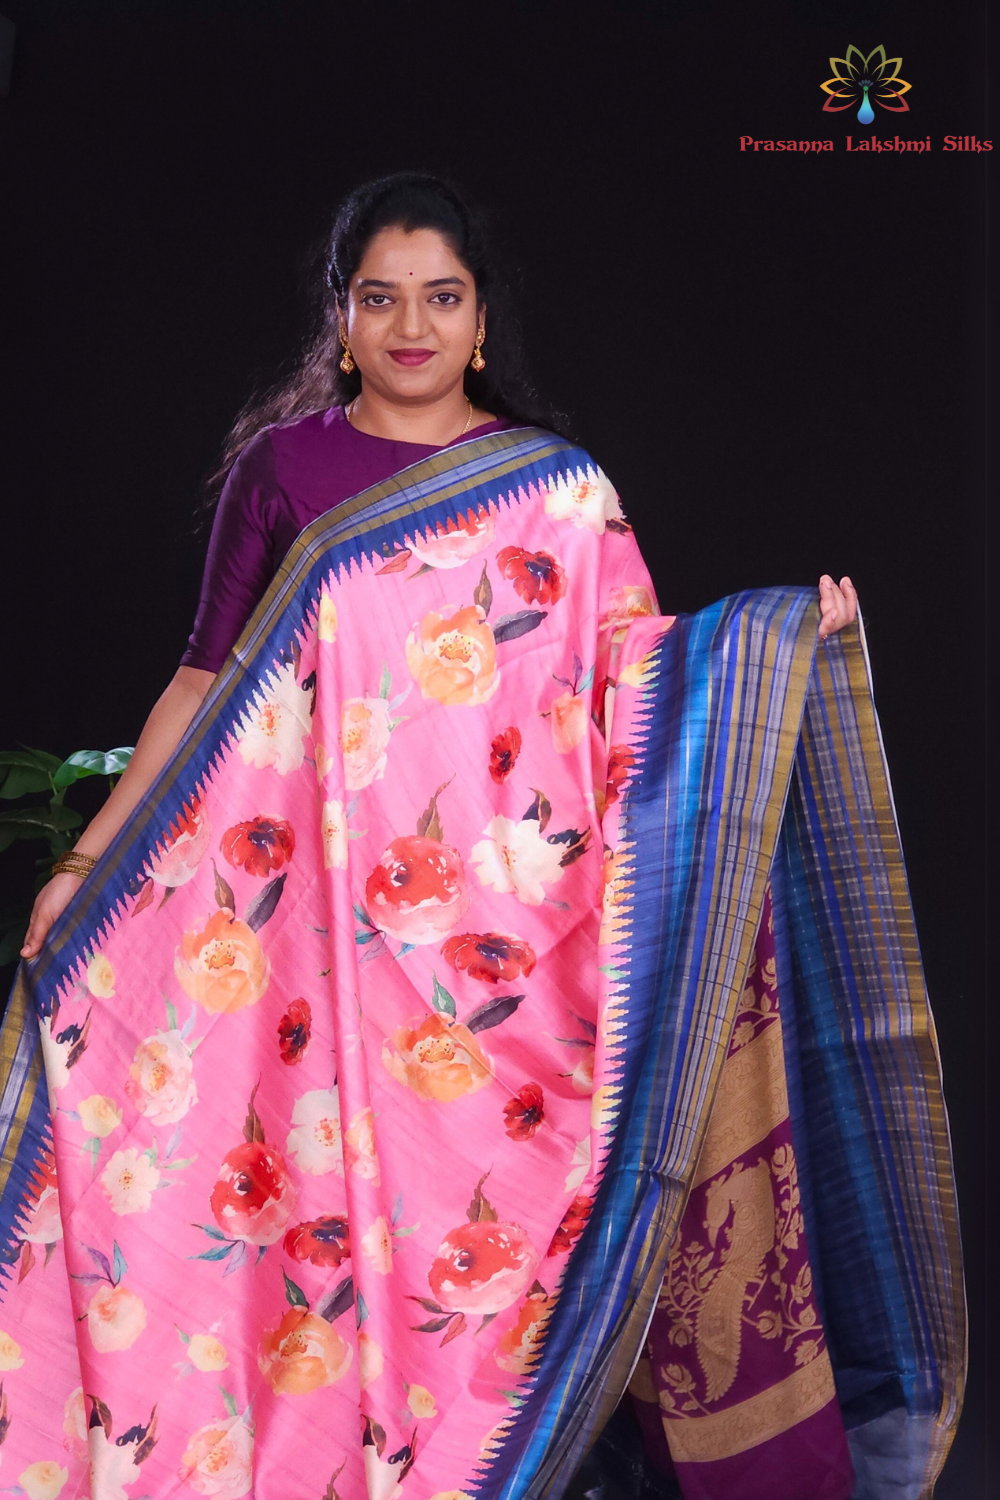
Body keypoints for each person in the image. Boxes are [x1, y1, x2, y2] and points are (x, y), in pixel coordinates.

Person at [0, 175, 960, 1500]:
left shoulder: (559, 492)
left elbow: (636, 674)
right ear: (341, 320)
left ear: (481, 321)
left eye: (441, 298)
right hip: (322, 948)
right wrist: (84, 862)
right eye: (381, 299)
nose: (413, 327)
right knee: (301, 1199)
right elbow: (203, 681)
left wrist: (784, 640)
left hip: (507, 950)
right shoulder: (285, 474)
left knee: (497, 1218)